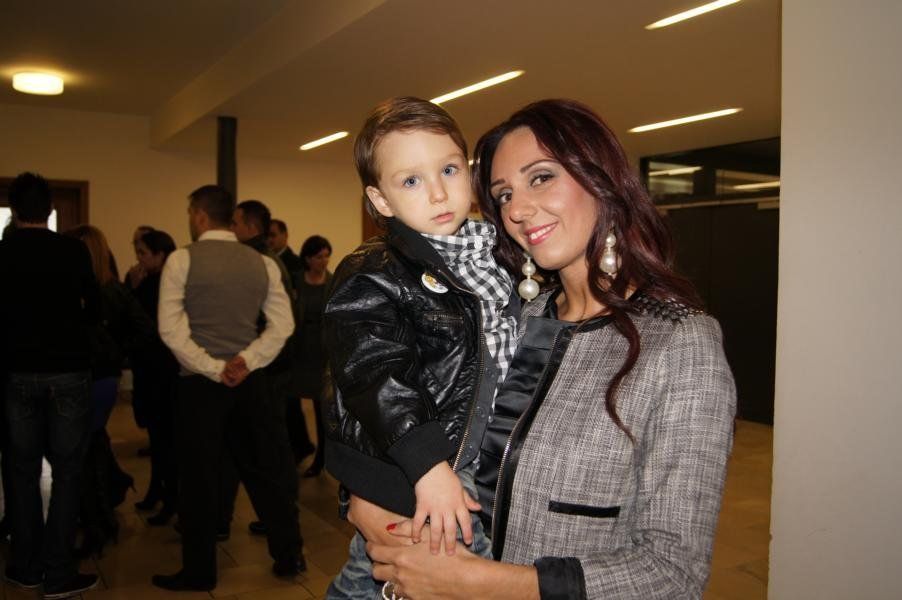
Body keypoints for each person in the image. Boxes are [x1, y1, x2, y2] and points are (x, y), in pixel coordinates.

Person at [365, 100, 738, 599]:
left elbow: (673, 574)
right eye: (503, 194)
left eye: (540, 178)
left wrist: (479, 585)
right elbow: (396, 400)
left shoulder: (679, 341)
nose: (516, 211)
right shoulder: (510, 319)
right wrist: (363, 499)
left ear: (601, 179)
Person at [322, 96, 518, 598]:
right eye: (411, 180)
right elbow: (374, 373)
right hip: (422, 470)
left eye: (449, 169)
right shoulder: (374, 271)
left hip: (485, 461)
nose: (437, 192)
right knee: (386, 576)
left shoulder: (497, 256)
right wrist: (427, 467)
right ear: (381, 200)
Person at [151, 185, 304, 592]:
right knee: (264, 470)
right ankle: (288, 554)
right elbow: (283, 325)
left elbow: (170, 329)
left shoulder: (181, 260)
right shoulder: (262, 262)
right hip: (249, 383)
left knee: (199, 478)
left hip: (199, 386)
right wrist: (246, 360)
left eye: (191, 212)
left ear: (200, 216)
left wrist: (213, 367)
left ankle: (199, 570)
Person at [0, 172, 101, 598]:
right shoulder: (72, 251)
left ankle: (26, 567)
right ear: (50, 209)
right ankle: (59, 573)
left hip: (16, 372)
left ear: (14, 209)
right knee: (67, 471)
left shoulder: (2, 252)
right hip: (68, 370)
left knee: (20, 471)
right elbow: (95, 308)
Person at [65, 225, 152, 558]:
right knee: (92, 444)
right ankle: (102, 513)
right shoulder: (112, 288)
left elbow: (144, 330)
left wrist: (114, 352)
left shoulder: (101, 291)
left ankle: (97, 523)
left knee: (84, 450)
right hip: (101, 379)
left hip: (92, 379)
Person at [130, 229, 181, 527]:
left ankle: (171, 498)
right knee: (157, 438)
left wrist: (134, 289)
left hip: (163, 370)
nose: (138, 259)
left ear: (160, 255)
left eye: (143, 253)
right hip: (151, 368)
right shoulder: (148, 281)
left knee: (165, 439)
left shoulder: (163, 284)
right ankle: (156, 490)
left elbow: (145, 324)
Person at [292, 234, 333, 478]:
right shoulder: (297, 280)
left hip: (321, 349)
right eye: (319, 257)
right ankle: (298, 448)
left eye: (327, 256)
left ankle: (321, 457)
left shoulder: (332, 281)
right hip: (299, 347)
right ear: (308, 258)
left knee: (321, 406)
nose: (324, 261)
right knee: (292, 400)